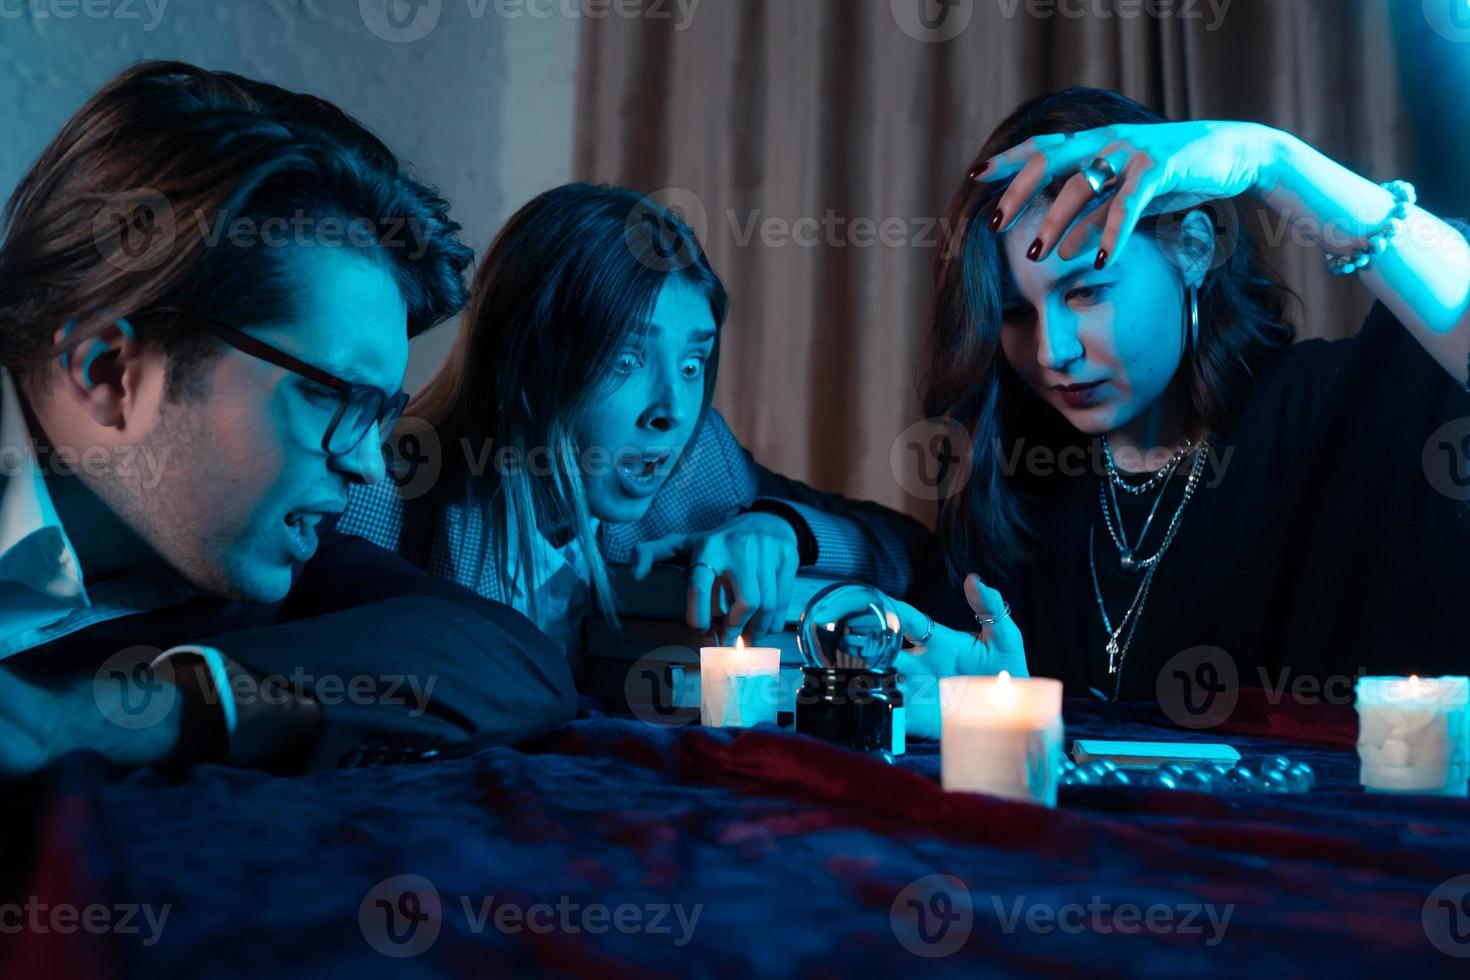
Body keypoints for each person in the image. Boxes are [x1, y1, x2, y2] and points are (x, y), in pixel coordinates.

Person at [0, 61, 576, 776]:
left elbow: (509, 657)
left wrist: (124, 715)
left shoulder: (259, 553)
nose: (369, 464)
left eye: (381, 411)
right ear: (109, 372)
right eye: (334, 397)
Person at [890, 87, 1470, 713]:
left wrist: (1269, 159)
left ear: (1193, 248)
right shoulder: (1017, 488)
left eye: (1087, 291)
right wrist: (1010, 710)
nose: (1053, 351)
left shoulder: (1333, 411)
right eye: (1015, 315)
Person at [338, 183, 931, 660]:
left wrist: (779, 530)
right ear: (529, 364)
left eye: (694, 362)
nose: (672, 410)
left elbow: (911, 554)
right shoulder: (376, 492)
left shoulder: (699, 468)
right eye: (627, 359)